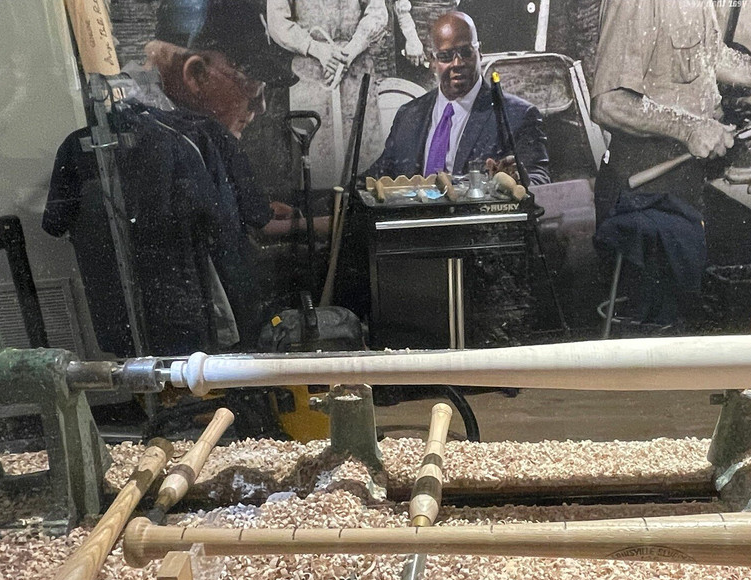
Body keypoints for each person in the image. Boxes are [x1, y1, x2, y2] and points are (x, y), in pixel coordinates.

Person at [43, 0, 298, 355]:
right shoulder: (194, 140)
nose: (261, 107)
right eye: (252, 88)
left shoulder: (88, 139)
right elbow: (246, 224)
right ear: (196, 73)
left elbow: (55, 223)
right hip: (188, 328)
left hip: (126, 324)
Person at [589, 0, 751, 328]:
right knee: (653, 336)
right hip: (641, 197)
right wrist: (688, 128)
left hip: (684, 189)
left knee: (684, 321)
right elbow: (608, 103)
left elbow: (712, 55)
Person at [366, 11, 550, 185]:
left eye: (466, 52)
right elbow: (377, 177)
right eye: (446, 56)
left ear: (479, 52)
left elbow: (539, 180)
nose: (457, 63)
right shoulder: (409, 115)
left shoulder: (517, 115)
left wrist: (517, 181)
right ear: (433, 61)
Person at [267, 0, 388, 187]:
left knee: (362, 164)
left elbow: (376, 11)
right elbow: (277, 21)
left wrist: (350, 51)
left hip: (355, 68)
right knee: (313, 165)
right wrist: (316, 48)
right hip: (310, 72)